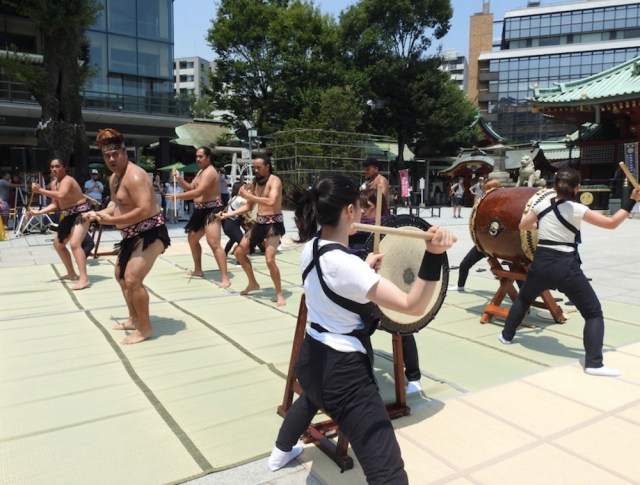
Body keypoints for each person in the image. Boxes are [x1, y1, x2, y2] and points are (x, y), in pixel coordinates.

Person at [267, 174, 453, 481]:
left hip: (312, 357)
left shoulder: (311, 247)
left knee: (312, 397)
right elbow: (413, 306)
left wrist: (364, 268)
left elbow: (337, 280)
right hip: (345, 375)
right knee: (388, 471)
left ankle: (281, 452)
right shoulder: (347, 266)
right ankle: (284, 450)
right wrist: (434, 255)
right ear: (350, 211)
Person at [498, 167, 640, 377]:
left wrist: (542, 223)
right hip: (565, 266)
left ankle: (506, 336)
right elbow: (611, 224)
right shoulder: (577, 209)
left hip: (541, 263)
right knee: (593, 313)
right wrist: (632, 200)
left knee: (524, 298)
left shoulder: (542, 204)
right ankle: (594, 363)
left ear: (554, 187)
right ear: (577, 188)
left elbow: (523, 225)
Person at [84, 128, 171, 344]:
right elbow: (116, 204)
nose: (111, 159)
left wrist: (111, 220)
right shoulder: (114, 177)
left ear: (124, 153)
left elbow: (144, 208)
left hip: (152, 232)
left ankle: (145, 327)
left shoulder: (135, 175)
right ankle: (134, 318)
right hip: (131, 234)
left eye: (115, 154)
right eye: (107, 155)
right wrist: (99, 214)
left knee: (132, 278)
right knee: (121, 276)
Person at [350, 188, 424, 394]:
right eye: (361, 207)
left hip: (390, 288)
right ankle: (364, 378)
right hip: (364, 291)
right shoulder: (353, 230)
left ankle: (414, 377)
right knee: (360, 332)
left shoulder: (393, 227)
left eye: (369, 207)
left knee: (403, 330)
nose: (363, 211)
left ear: (380, 206)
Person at [221, 157, 286, 305]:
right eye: (254, 168)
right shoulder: (256, 183)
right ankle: (253, 283)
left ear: (267, 166)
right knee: (238, 252)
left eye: (258, 168)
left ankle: (279, 292)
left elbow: (271, 201)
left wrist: (249, 195)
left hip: (273, 223)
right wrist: (228, 214)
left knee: (269, 259)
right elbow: (248, 206)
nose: (255, 171)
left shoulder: (275, 181)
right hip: (259, 223)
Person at [170, 147, 230, 288]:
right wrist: (179, 178)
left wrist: (176, 196)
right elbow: (190, 188)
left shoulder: (210, 172)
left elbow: (199, 192)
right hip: (200, 210)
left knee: (213, 243)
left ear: (208, 158)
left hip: (212, 209)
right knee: (192, 238)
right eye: (196, 156)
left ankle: (225, 278)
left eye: (201, 156)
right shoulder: (200, 172)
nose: (197, 159)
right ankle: (198, 270)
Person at [29, 159, 92, 290]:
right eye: (52, 167)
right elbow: (55, 204)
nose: (54, 169)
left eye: (57, 166)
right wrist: (39, 212)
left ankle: (84, 278)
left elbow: (61, 195)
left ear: (65, 168)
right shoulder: (53, 183)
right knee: (58, 244)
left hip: (81, 213)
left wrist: (40, 191)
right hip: (68, 215)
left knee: (75, 244)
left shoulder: (68, 180)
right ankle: (71, 273)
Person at [450, 179, 502, 292]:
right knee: (464, 264)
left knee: (516, 270)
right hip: (484, 243)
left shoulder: (504, 203)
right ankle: (460, 286)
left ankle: (525, 298)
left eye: (488, 190)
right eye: (485, 190)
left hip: (501, 244)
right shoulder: (485, 203)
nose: (486, 193)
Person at [221, 182, 246, 261]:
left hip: (229, 224)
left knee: (233, 239)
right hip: (232, 225)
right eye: (243, 188)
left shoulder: (232, 198)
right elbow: (247, 203)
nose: (245, 190)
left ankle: (224, 254)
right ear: (239, 189)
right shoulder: (238, 198)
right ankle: (240, 261)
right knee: (242, 242)